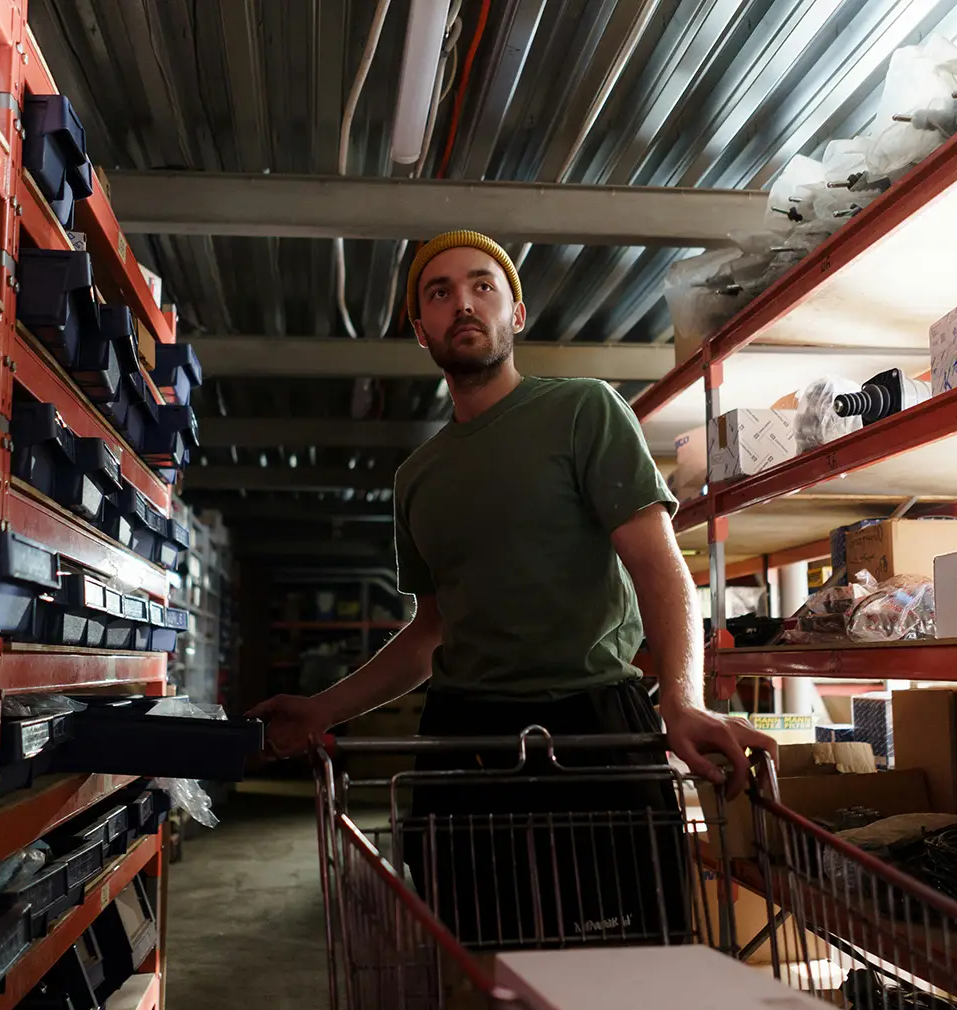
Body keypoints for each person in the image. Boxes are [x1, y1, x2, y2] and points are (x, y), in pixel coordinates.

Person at [248, 230, 775, 948]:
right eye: (439, 292)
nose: (462, 302)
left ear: (516, 314)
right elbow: (430, 631)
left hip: (594, 728)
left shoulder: (584, 411)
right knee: (477, 965)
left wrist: (682, 699)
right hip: (465, 739)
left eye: (481, 285)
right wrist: (320, 708)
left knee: (626, 965)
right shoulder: (417, 479)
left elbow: (659, 567)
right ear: (420, 329)